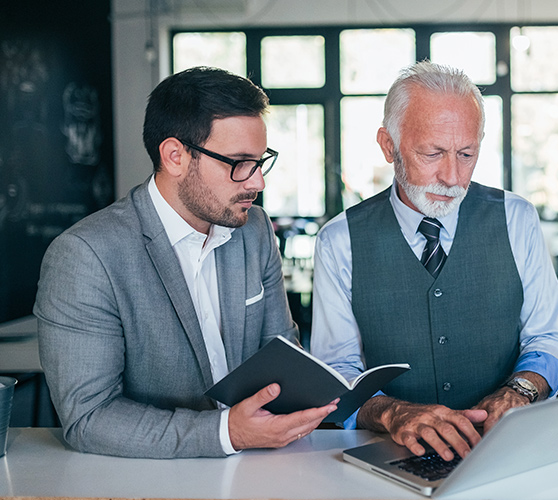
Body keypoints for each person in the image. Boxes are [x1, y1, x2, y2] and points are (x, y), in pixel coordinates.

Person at [34, 67, 338, 459]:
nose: (257, 182)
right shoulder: (85, 256)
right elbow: (89, 419)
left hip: (262, 468)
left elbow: (279, 352)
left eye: (261, 161)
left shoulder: (254, 229)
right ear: (175, 156)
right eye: (240, 163)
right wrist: (227, 434)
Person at [311, 61, 558, 462]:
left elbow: (549, 337)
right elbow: (337, 369)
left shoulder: (517, 219)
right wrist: (391, 411)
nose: (453, 177)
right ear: (388, 146)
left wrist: (520, 390)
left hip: (501, 450)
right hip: (389, 452)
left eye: (467, 154)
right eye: (432, 153)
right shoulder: (339, 240)